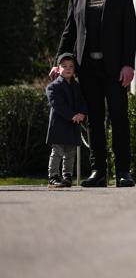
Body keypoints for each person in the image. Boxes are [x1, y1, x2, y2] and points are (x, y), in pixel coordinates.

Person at [53, 0, 136, 188]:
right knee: (94, 120)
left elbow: (129, 35)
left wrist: (128, 65)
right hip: (87, 68)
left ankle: (123, 172)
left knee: (119, 119)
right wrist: (60, 61)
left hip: (115, 69)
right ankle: (98, 171)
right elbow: (69, 33)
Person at [45, 53, 87, 189]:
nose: (68, 69)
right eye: (64, 66)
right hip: (59, 125)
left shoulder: (78, 86)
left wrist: (82, 113)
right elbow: (58, 104)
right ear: (58, 68)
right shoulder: (53, 87)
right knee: (57, 152)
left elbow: (82, 101)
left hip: (73, 126)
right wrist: (71, 115)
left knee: (70, 152)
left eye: (71, 66)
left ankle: (67, 175)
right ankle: (53, 176)